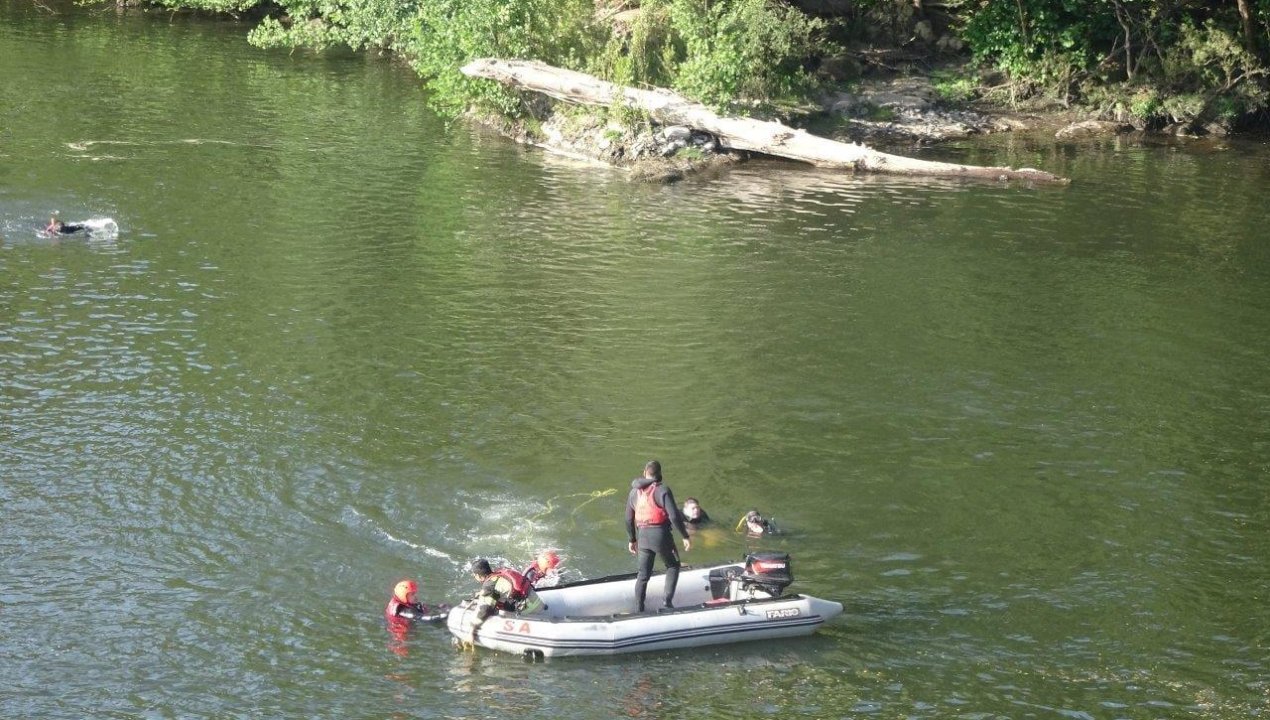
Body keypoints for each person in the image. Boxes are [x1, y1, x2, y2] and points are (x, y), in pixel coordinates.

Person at [624, 459, 691, 612]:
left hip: (643, 537)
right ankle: (667, 603)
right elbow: (674, 516)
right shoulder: (662, 490)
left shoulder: (634, 492)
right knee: (673, 565)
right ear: (660, 474)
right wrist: (685, 536)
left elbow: (628, 519)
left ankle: (639, 608)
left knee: (643, 574)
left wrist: (632, 539)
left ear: (644, 473)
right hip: (661, 535)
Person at [467, 558, 545, 640]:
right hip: (538, 603)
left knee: (494, 606)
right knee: (498, 599)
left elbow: (485, 609)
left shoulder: (489, 586)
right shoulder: (500, 574)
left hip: (529, 612)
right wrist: (483, 594)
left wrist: (472, 630)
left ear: (478, 576)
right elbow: (500, 590)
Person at [384, 579, 448, 625]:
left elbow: (422, 606)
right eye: (412, 594)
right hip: (404, 633)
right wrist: (443, 616)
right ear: (403, 595)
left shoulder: (405, 602)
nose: (415, 597)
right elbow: (424, 619)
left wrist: (440, 607)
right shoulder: (403, 611)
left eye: (415, 593)